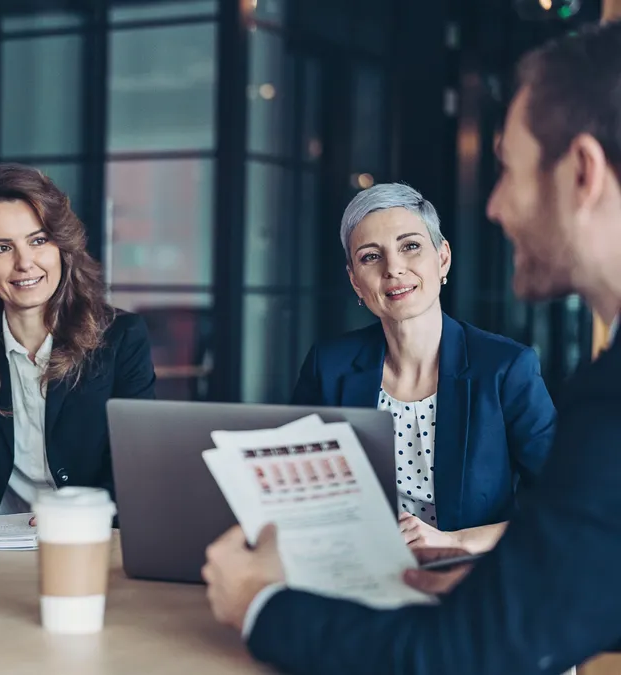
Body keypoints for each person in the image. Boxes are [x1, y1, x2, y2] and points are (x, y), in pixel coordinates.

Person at [202, 21, 621, 675]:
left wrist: (259, 604)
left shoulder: (569, 386)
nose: (493, 206)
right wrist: (496, 590)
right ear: (355, 278)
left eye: (507, 169)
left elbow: (468, 651)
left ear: (583, 173)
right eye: (371, 257)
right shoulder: (334, 361)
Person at [291, 182, 556, 554]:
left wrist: (454, 542)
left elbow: (567, 505)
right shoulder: (328, 366)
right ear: (354, 279)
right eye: (370, 257)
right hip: (357, 568)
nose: (394, 269)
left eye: (410, 246)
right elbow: (294, 494)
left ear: (443, 258)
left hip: (468, 579)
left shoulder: (506, 369)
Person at [0, 164, 156, 516]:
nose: (24, 263)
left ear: (61, 247)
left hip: (83, 544)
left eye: (38, 241)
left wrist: (74, 512)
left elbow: (139, 472)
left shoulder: (122, 339)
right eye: (1, 248)